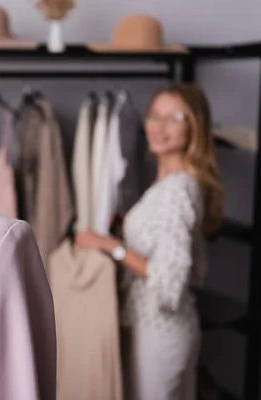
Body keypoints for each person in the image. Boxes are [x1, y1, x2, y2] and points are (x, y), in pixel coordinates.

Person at [75, 83, 224, 400]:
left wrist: (108, 245)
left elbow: (168, 282)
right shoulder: (171, 183)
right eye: (155, 116)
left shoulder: (176, 191)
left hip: (159, 333)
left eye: (174, 118)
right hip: (165, 330)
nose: (159, 126)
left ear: (194, 127)